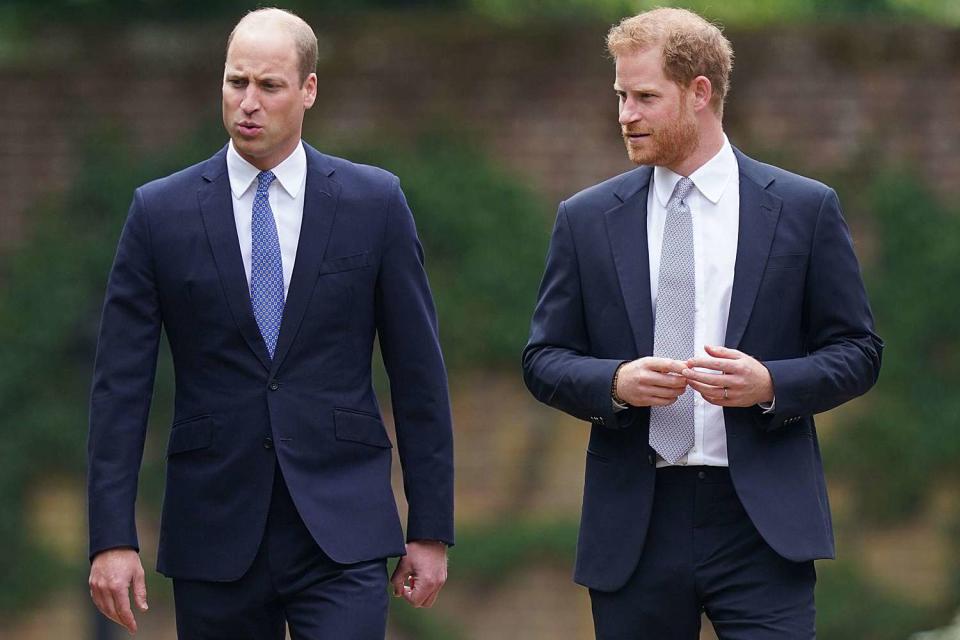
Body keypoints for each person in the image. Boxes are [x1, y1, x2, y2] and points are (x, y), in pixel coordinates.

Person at [87, 8, 453, 638]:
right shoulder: (159, 213)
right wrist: (110, 539)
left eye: (269, 86)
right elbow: (120, 386)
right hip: (214, 526)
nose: (247, 103)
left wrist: (430, 528)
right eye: (236, 83)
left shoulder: (374, 203)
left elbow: (418, 374)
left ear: (308, 90)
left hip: (343, 526)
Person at [522, 8, 882, 638]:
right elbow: (543, 358)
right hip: (635, 521)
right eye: (620, 96)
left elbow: (858, 351)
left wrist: (771, 383)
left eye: (644, 97)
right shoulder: (584, 218)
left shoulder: (804, 209)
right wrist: (615, 382)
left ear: (699, 93)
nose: (624, 114)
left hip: (763, 523)